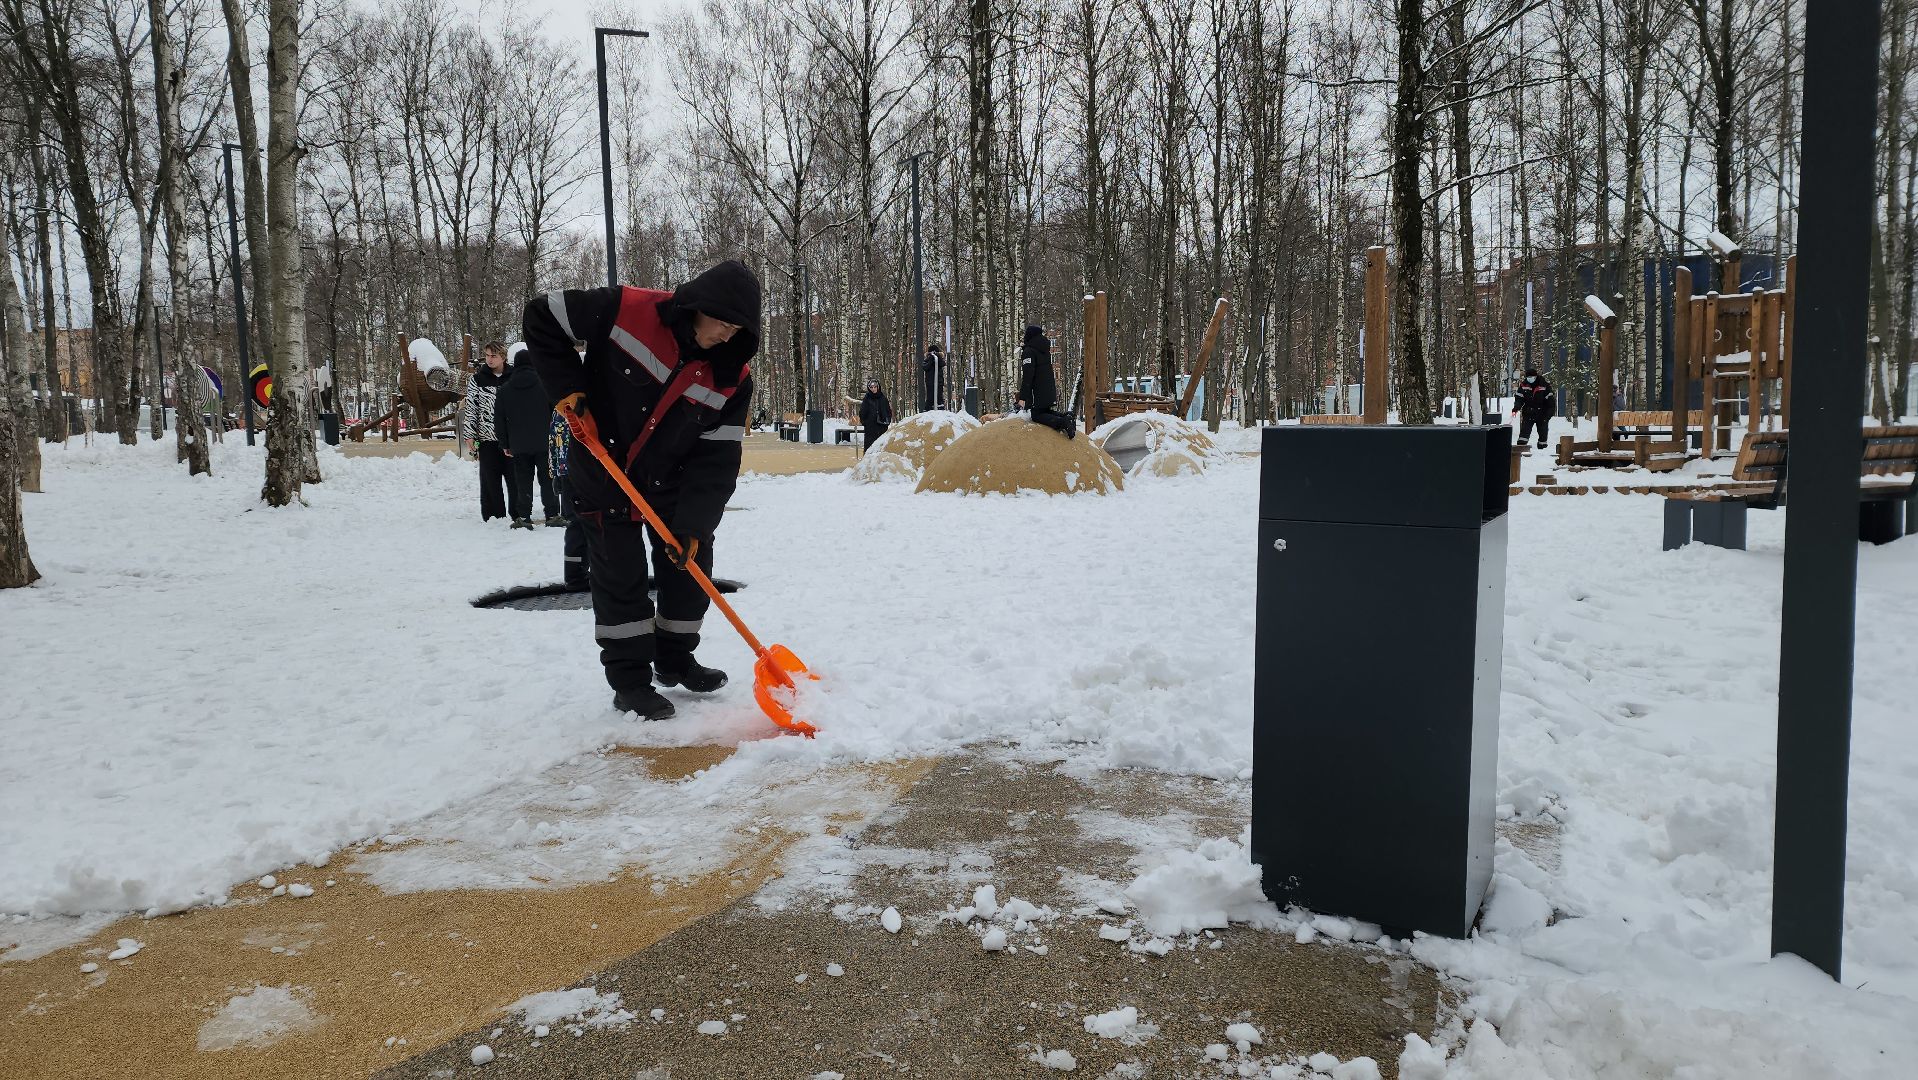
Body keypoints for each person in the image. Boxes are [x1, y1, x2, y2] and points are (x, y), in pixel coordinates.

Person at [523, 260, 759, 720]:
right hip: (602, 470)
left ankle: (674, 659)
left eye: (738, 330)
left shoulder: (734, 379)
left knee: (691, 569)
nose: (726, 337)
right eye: (723, 324)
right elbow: (541, 315)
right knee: (619, 577)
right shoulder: (627, 310)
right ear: (699, 307)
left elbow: (718, 459)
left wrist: (694, 524)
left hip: (670, 481)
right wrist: (568, 387)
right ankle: (630, 680)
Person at [495, 346, 561, 528]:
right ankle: (553, 514)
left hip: (518, 445)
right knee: (547, 479)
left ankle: (524, 517)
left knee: (522, 481)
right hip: (544, 443)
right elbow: (555, 414)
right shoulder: (545, 386)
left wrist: (505, 444)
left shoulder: (504, 390)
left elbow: (499, 421)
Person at [462, 342, 510, 521]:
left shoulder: (513, 375)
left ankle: (518, 513)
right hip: (487, 437)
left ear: (503, 357)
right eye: (487, 355)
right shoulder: (477, 379)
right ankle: (493, 515)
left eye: (494, 356)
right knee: (490, 479)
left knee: (514, 479)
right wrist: (469, 435)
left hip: (511, 438)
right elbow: (471, 408)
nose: (489, 359)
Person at [1016, 324, 1075, 439]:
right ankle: (1066, 416)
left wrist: (1023, 397)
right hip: (1048, 389)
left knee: (1036, 415)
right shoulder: (1044, 350)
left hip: (1037, 391)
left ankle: (1063, 423)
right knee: (1045, 411)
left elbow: (1028, 376)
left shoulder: (1029, 351)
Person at [1511, 367, 1555, 451]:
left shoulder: (1544, 385)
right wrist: (1516, 407)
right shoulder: (1524, 385)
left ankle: (1542, 450)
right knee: (1524, 432)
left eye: (1531, 377)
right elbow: (1519, 398)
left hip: (1542, 413)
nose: (1529, 379)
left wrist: (1548, 416)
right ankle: (1520, 449)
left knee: (1543, 433)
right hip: (1528, 412)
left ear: (1535, 377)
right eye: (1528, 377)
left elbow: (1551, 403)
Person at [858, 379, 891, 452]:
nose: (873, 389)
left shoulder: (883, 398)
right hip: (870, 428)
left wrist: (887, 421)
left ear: (878, 387)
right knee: (869, 447)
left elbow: (888, 411)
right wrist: (865, 422)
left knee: (881, 447)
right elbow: (862, 412)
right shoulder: (867, 398)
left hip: (881, 427)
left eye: (875, 387)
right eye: (871, 387)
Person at [921, 342, 947, 411]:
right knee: (930, 398)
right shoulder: (927, 360)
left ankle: (940, 410)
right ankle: (928, 411)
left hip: (938, 383)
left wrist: (937, 357)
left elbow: (943, 363)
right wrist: (931, 359)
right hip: (930, 383)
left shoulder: (939, 361)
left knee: (939, 397)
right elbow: (925, 367)